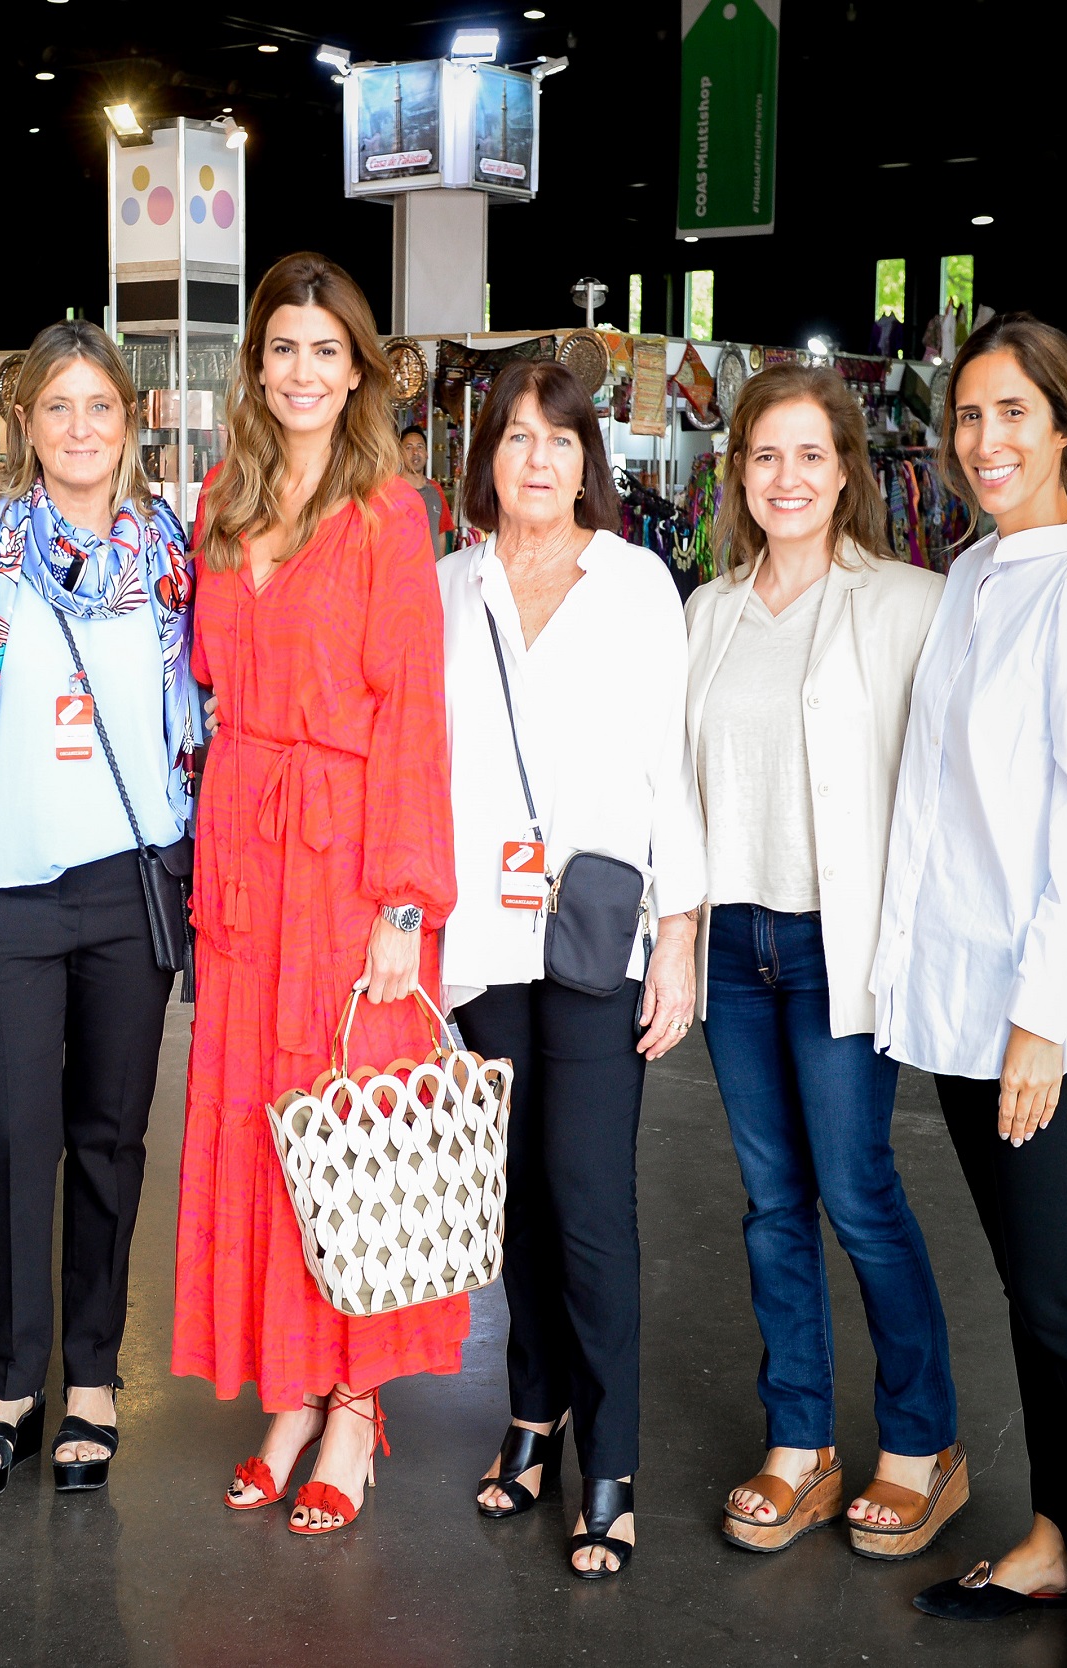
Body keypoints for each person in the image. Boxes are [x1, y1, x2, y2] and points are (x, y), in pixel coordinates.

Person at [876, 316, 1067, 1668]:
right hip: (966, 997)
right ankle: (1059, 1537)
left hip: (1044, 1011)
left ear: (1066, 428)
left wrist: (1045, 1018)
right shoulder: (977, 574)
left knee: (1062, 1290)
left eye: (1014, 415)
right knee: (1022, 1284)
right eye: (969, 418)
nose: (985, 443)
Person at [172, 251, 460, 1537]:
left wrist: (406, 903)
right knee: (256, 1123)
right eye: (279, 348)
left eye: (322, 351)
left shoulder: (388, 512)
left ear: (358, 371)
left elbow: (413, 713)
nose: (299, 371)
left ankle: (354, 1406)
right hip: (244, 844)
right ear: (259, 365)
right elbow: (204, 687)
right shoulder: (223, 499)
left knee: (345, 1133)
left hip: (347, 859)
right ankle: (288, 1390)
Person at [0, 320, 196, 1498]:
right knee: (13, 1139)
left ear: (129, 421)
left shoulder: (176, 557)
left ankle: (91, 1377)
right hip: (3, 892)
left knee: (109, 1140)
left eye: (100, 406)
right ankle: (13, 1380)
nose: (80, 429)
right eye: (57, 407)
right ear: (23, 424)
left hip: (132, 887)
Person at [684, 365, 961, 1558]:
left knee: (855, 1193)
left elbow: (948, 785)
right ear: (736, 471)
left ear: (846, 469)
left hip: (831, 943)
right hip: (734, 941)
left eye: (808, 455)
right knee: (767, 1206)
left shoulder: (906, 602)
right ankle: (797, 1443)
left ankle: (923, 1444)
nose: (784, 478)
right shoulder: (707, 611)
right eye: (762, 455)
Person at [438, 358, 704, 1577]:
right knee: (515, 1199)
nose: (535, 459)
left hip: (599, 927)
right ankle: (531, 1413)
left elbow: (670, 764)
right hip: (484, 938)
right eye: (514, 437)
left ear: (584, 457)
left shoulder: (636, 581)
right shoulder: (447, 588)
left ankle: (611, 1458)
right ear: (485, 457)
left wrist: (681, 934)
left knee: (589, 1200)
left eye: (557, 438)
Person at [400, 424, 454, 558]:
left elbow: (441, 534)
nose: (415, 452)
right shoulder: (390, 491)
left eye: (420, 447)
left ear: (426, 453)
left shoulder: (436, 490)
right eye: (408, 447)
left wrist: (439, 570)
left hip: (431, 574)